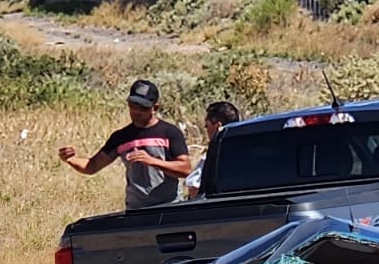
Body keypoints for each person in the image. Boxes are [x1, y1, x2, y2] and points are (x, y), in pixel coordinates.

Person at [58, 79, 192, 210]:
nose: (136, 112)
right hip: (136, 210)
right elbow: (91, 166)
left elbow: (185, 169)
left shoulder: (170, 132)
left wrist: (152, 161)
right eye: (133, 106)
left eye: (143, 108)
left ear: (155, 108)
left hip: (169, 207)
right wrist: (70, 159)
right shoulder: (121, 137)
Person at [183, 100, 241, 197]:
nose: (206, 130)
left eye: (207, 125)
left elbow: (194, 187)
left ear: (218, 126)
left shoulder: (213, 156)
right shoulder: (250, 150)